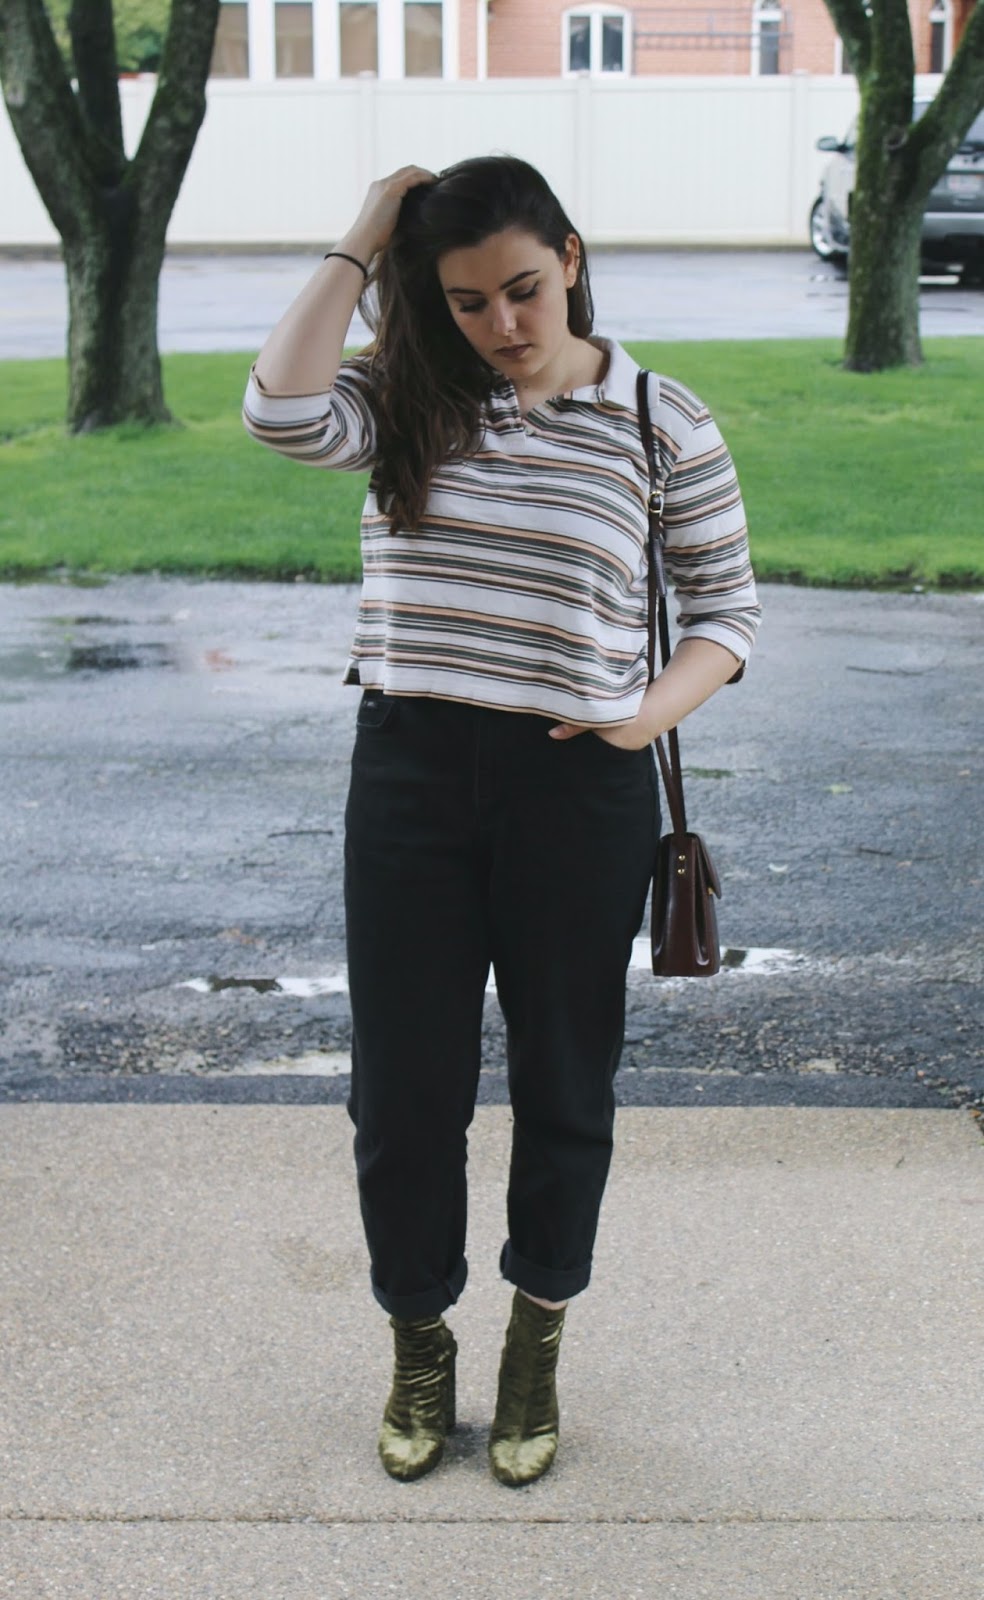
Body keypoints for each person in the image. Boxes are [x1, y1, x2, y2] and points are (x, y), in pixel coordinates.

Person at [243, 156, 760, 1487]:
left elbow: (727, 611)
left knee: (564, 1079)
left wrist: (640, 720)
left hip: (577, 788)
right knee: (402, 1092)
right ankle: (419, 1342)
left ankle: (536, 1343)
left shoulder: (659, 419)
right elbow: (277, 407)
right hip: (409, 775)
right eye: (467, 301)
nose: (502, 325)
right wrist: (368, 231)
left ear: (571, 259)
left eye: (523, 289)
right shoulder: (408, 395)